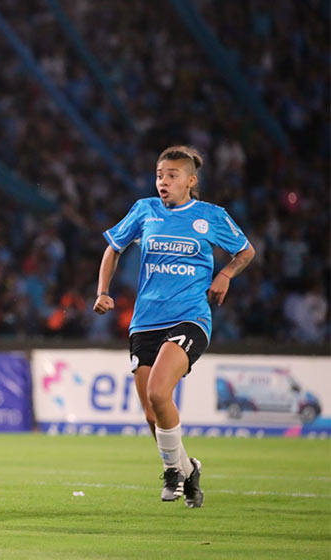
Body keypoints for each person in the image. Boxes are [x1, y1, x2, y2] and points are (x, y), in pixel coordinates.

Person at [93, 145, 255, 508]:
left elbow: (245, 251)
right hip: (145, 321)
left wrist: (225, 274)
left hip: (190, 317)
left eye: (172, 176)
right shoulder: (144, 210)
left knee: (158, 393)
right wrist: (103, 291)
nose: (163, 182)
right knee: (152, 415)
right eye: (159, 175)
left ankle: (171, 475)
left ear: (191, 181)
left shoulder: (211, 216)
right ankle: (187, 468)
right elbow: (113, 248)